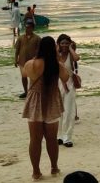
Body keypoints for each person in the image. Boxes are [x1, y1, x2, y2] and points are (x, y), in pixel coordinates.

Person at [22, 36, 70, 181]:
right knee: (51, 139)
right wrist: (57, 57)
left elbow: (25, 74)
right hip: (51, 100)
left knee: (35, 140)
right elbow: (66, 78)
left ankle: (36, 172)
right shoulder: (57, 65)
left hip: (35, 100)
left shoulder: (31, 64)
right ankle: (54, 167)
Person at [57, 34, 80, 148]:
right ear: (59, 44)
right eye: (62, 43)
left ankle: (68, 138)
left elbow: (77, 58)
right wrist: (57, 49)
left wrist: (71, 48)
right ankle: (60, 136)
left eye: (66, 43)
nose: (64, 45)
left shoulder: (71, 55)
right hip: (58, 84)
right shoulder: (56, 55)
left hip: (70, 84)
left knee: (69, 111)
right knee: (59, 112)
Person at [15, 20, 41, 99]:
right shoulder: (20, 38)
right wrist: (15, 59)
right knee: (24, 77)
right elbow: (17, 49)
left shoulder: (37, 38)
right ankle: (26, 92)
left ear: (32, 28)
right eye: (26, 27)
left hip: (33, 61)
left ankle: (32, 92)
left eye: (29, 27)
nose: (27, 29)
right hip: (22, 61)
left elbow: (40, 50)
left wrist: (37, 58)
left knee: (33, 78)